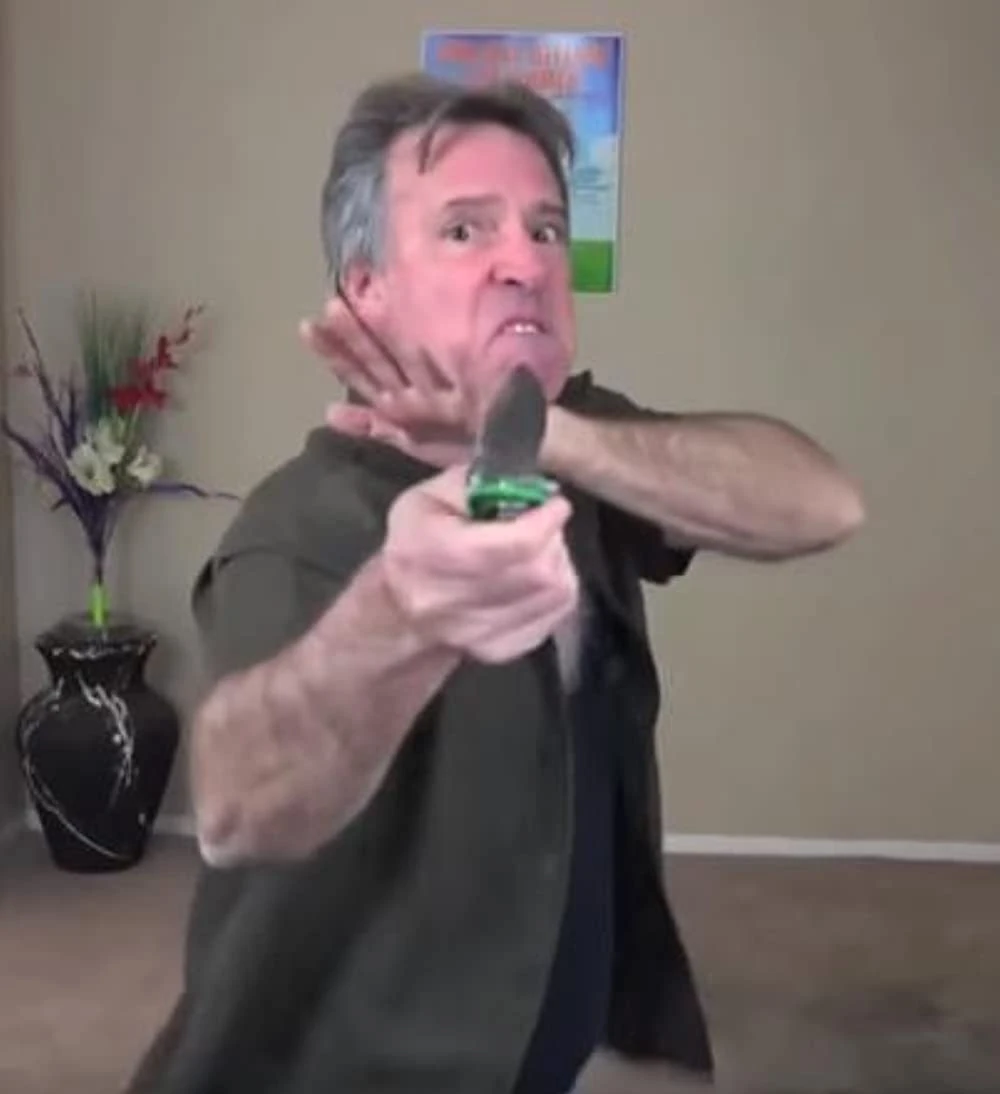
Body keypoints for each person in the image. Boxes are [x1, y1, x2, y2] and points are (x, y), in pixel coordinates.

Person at [124, 73, 865, 1094]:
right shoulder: (300, 525)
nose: (527, 262)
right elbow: (240, 803)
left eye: (546, 229)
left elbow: (822, 503)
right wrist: (400, 614)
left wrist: (538, 428)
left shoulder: (581, 446)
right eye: (466, 230)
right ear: (366, 290)